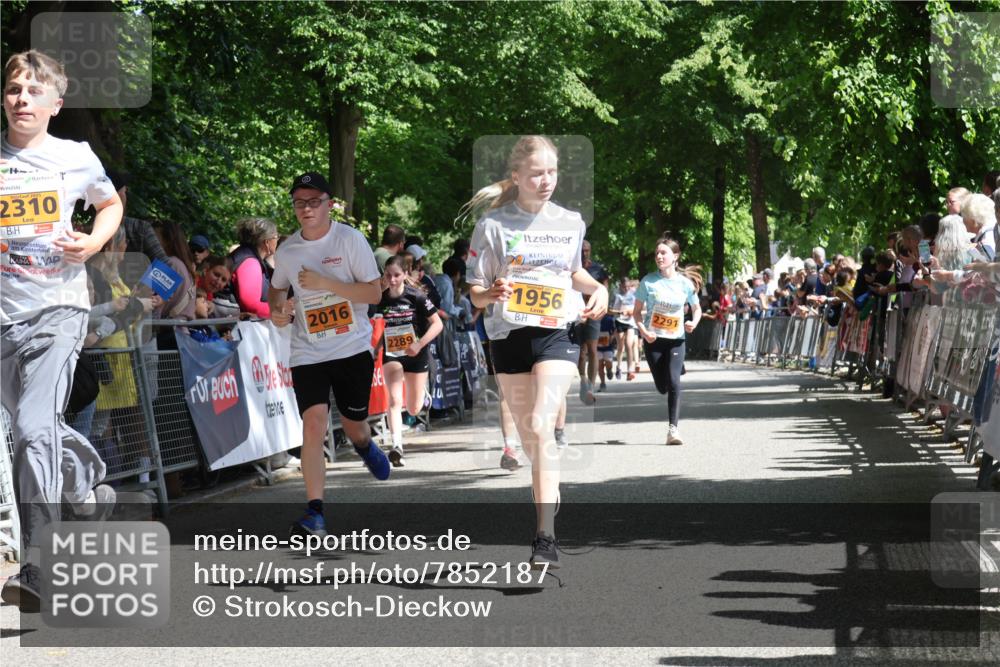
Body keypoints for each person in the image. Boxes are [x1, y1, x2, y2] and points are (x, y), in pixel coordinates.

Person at [1, 50, 124, 610]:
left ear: (56, 102)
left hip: (58, 311)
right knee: (35, 431)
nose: (21, 98)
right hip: (3, 318)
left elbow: (109, 205)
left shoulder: (73, 156)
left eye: (32, 90)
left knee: (31, 429)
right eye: (12, 90)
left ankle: (39, 563)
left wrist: (93, 243)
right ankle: (85, 489)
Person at [465, 135, 608, 568]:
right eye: (536, 174)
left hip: (555, 332)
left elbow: (575, 273)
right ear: (517, 177)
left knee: (543, 425)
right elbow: (473, 293)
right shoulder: (492, 226)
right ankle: (547, 492)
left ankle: (544, 535)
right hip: (508, 336)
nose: (546, 181)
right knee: (531, 437)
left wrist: (597, 287)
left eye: (552, 172)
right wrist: (490, 293)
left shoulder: (570, 221)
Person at [268, 171, 389, 538]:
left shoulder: (350, 240)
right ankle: (314, 513)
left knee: (353, 425)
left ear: (329, 205)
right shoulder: (287, 250)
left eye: (313, 202)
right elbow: (276, 293)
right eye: (299, 203)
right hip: (308, 351)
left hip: (351, 347)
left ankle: (365, 443)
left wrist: (326, 284)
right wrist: (280, 311)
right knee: (314, 423)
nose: (305, 209)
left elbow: (373, 295)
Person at [632, 235, 702, 446]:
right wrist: (644, 331)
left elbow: (697, 308)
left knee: (673, 383)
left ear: (675, 256)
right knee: (662, 386)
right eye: (657, 253)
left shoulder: (684, 284)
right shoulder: (648, 281)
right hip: (653, 340)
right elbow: (636, 313)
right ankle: (675, 368)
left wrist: (693, 323)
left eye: (664, 252)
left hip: (675, 339)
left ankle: (673, 429)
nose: (659, 256)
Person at [376, 255, 443, 466]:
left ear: (405, 274)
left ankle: (422, 394)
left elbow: (438, 324)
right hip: (393, 354)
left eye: (397, 275)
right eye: (388, 275)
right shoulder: (380, 298)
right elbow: (379, 325)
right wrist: (377, 347)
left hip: (416, 353)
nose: (392, 279)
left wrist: (419, 344)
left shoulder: (417, 297)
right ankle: (397, 447)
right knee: (395, 400)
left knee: (413, 409)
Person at [575, 239, 608, 403]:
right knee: (581, 352)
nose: (584, 252)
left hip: (593, 313)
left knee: (593, 349)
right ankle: (583, 381)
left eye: (587, 250)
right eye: (581, 249)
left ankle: (591, 387)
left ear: (590, 251)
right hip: (576, 313)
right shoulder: (573, 267)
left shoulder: (598, 269)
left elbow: (604, 289)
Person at [229, 217, 278, 318]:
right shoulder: (250, 262)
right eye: (276, 236)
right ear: (267, 241)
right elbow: (250, 305)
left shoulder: (246, 255)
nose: (277, 240)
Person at [610, 278, 637, 380]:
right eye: (624, 287)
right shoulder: (616, 295)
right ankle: (618, 367)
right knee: (621, 347)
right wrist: (619, 312)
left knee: (629, 345)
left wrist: (631, 311)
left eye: (628, 287)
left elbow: (640, 308)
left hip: (630, 322)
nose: (626, 289)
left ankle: (630, 371)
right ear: (620, 286)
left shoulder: (634, 294)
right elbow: (609, 310)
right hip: (619, 322)